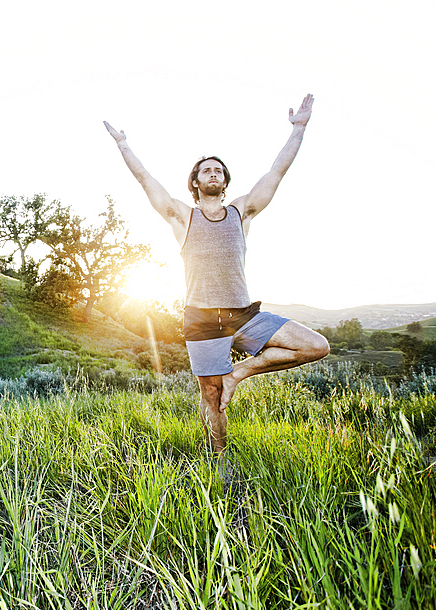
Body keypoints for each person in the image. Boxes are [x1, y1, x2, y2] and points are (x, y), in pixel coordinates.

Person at [104, 95, 329, 453]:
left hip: (243, 315)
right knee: (211, 396)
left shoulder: (243, 212)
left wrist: (298, 129)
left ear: (225, 182)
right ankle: (220, 462)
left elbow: (277, 172)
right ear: (195, 182)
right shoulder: (182, 216)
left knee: (316, 346)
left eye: (219, 170)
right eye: (206, 170)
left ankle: (239, 373)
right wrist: (124, 144)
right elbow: (145, 179)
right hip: (202, 321)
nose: (214, 173)